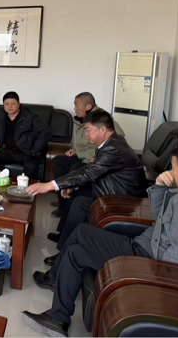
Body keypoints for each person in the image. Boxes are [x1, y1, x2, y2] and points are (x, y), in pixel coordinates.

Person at [21, 143, 178, 337]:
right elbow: (161, 218)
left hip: (148, 258)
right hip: (147, 247)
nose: (171, 173)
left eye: (174, 168)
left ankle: (55, 292)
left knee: (81, 232)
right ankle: (57, 317)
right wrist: (159, 186)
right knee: (75, 253)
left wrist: (147, 273)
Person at [27, 111, 147, 265]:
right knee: (77, 196)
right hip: (114, 192)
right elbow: (95, 172)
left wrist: (48, 185)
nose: (86, 134)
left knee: (80, 203)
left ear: (102, 129)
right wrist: (73, 185)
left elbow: (88, 173)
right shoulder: (112, 142)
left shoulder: (113, 148)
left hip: (123, 202)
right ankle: (65, 241)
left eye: (89, 130)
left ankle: (64, 253)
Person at [50, 92, 124, 218]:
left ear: (88, 106)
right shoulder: (81, 119)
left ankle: (69, 207)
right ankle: (63, 203)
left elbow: (118, 137)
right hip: (83, 156)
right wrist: (76, 151)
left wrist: (98, 155)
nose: (74, 109)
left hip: (93, 160)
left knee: (74, 169)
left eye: (76, 105)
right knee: (58, 162)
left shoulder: (101, 118)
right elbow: (85, 143)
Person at [0, 92, 52, 180]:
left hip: (26, 152)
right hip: (8, 151)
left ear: (19, 104)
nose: (10, 107)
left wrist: (35, 150)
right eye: (7, 104)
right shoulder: (1, 116)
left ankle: (24, 187)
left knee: (31, 166)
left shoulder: (30, 117)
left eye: (13, 104)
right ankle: (1, 180)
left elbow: (46, 132)